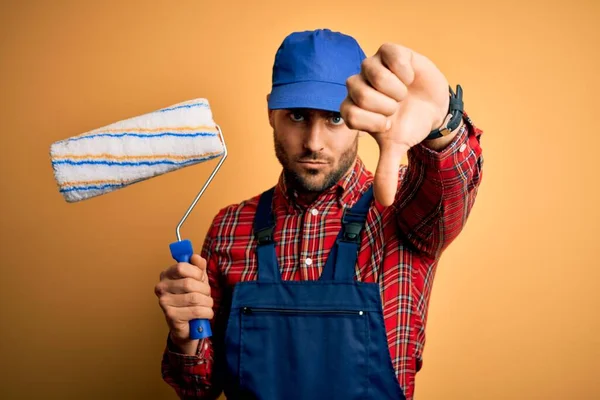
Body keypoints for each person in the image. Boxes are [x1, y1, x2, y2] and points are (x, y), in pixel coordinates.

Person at [155, 28, 484, 400]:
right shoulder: (230, 226)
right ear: (270, 113)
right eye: (297, 116)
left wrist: (443, 124)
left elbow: (450, 191)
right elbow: (199, 389)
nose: (313, 142)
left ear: (362, 116)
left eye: (335, 119)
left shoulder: (402, 207)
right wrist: (185, 337)